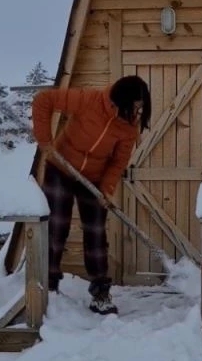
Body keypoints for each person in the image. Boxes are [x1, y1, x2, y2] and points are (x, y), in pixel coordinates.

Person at [30, 76, 151, 315]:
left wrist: (105, 189)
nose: (138, 111)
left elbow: (118, 162)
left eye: (141, 106)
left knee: (95, 234)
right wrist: (45, 141)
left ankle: (101, 294)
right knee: (56, 228)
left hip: (94, 179)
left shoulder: (129, 125)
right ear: (120, 101)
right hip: (61, 168)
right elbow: (43, 100)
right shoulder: (89, 100)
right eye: (135, 105)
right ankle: (49, 286)